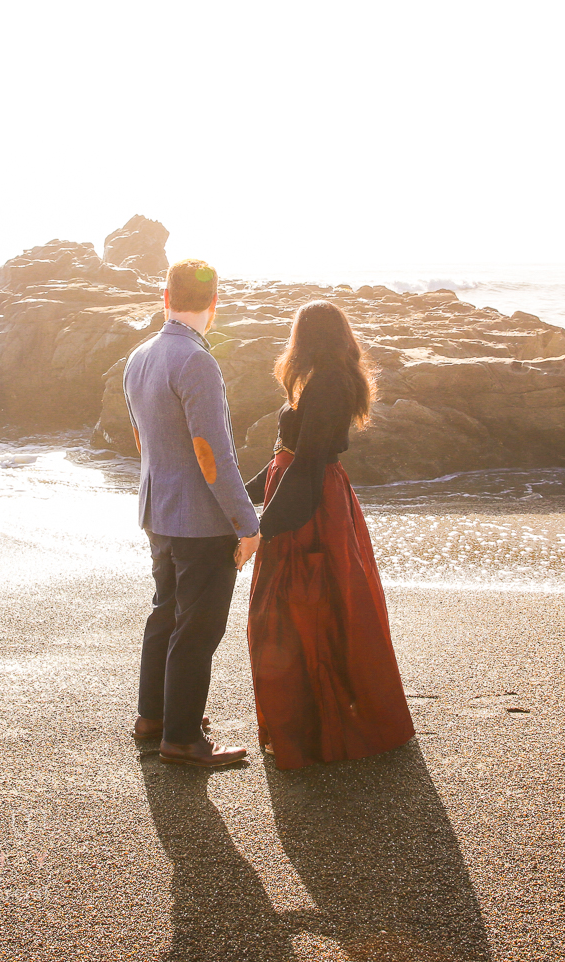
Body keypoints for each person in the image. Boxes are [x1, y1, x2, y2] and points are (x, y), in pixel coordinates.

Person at [245, 300, 415, 770]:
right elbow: (289, 453)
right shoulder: (324, 378)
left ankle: (316, 731)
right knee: (305, 613)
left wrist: (263, 529)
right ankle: (305, 725)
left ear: (305, 336)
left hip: (311, 510)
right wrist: (242, 500)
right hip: (307, 498)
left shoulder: (327, 384)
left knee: (300, 615)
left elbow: (309, 463)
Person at [124, 258, 262, 768]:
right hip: (200, 520)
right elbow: (211, 452)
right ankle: (181, 739)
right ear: (214, 303)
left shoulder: (139, 356)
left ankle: (153, 716)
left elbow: (143, 440)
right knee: (198, 627)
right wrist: (247, 524)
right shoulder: (196, 360)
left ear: (166, 297)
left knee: (166, 612)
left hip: (157, 508)